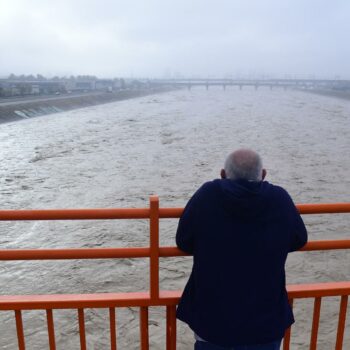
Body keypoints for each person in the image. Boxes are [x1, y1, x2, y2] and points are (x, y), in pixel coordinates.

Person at [176, 149, 307, 350]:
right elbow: (299, 239)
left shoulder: (207, 195)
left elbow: (183, 241)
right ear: (263, 175)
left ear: (222, 174)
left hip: (213, 322)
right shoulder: (279, 198)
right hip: (266, 323)